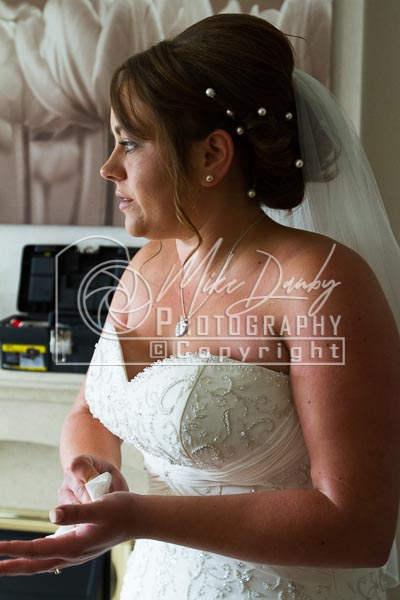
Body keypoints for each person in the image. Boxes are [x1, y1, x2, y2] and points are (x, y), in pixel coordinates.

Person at [1, 13, 400, 600]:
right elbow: (89, 411)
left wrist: (140, 518)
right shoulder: (145, 266)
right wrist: (84, 471)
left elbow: (358, 528)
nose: (108, 166)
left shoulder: (319, 281)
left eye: (130, 143)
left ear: (213, 154)